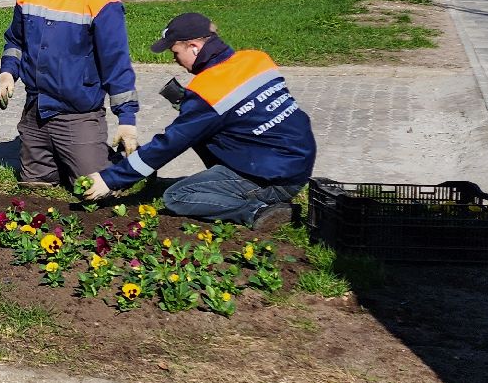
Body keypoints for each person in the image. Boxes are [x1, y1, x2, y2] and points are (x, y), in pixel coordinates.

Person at [84, 12, 316, 227]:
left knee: (178, 196)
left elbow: (169, 144)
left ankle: (258, 211)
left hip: (275, 179)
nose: (175, 60)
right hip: (298, 160)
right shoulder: (256, 59)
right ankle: (237, 187)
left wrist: (111, 180)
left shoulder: (208, 92)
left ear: (194, 47)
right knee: (206, 135)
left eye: (175, 52)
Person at [0, 0, 139, 186]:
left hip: (78, 113)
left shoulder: (102, 2)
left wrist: (127, 119)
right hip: (36, 110)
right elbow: (15, 41)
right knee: (35, 182)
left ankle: (119, 161)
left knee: (94, 185)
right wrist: (8, 72)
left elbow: (116, 64)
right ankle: (61, 155)